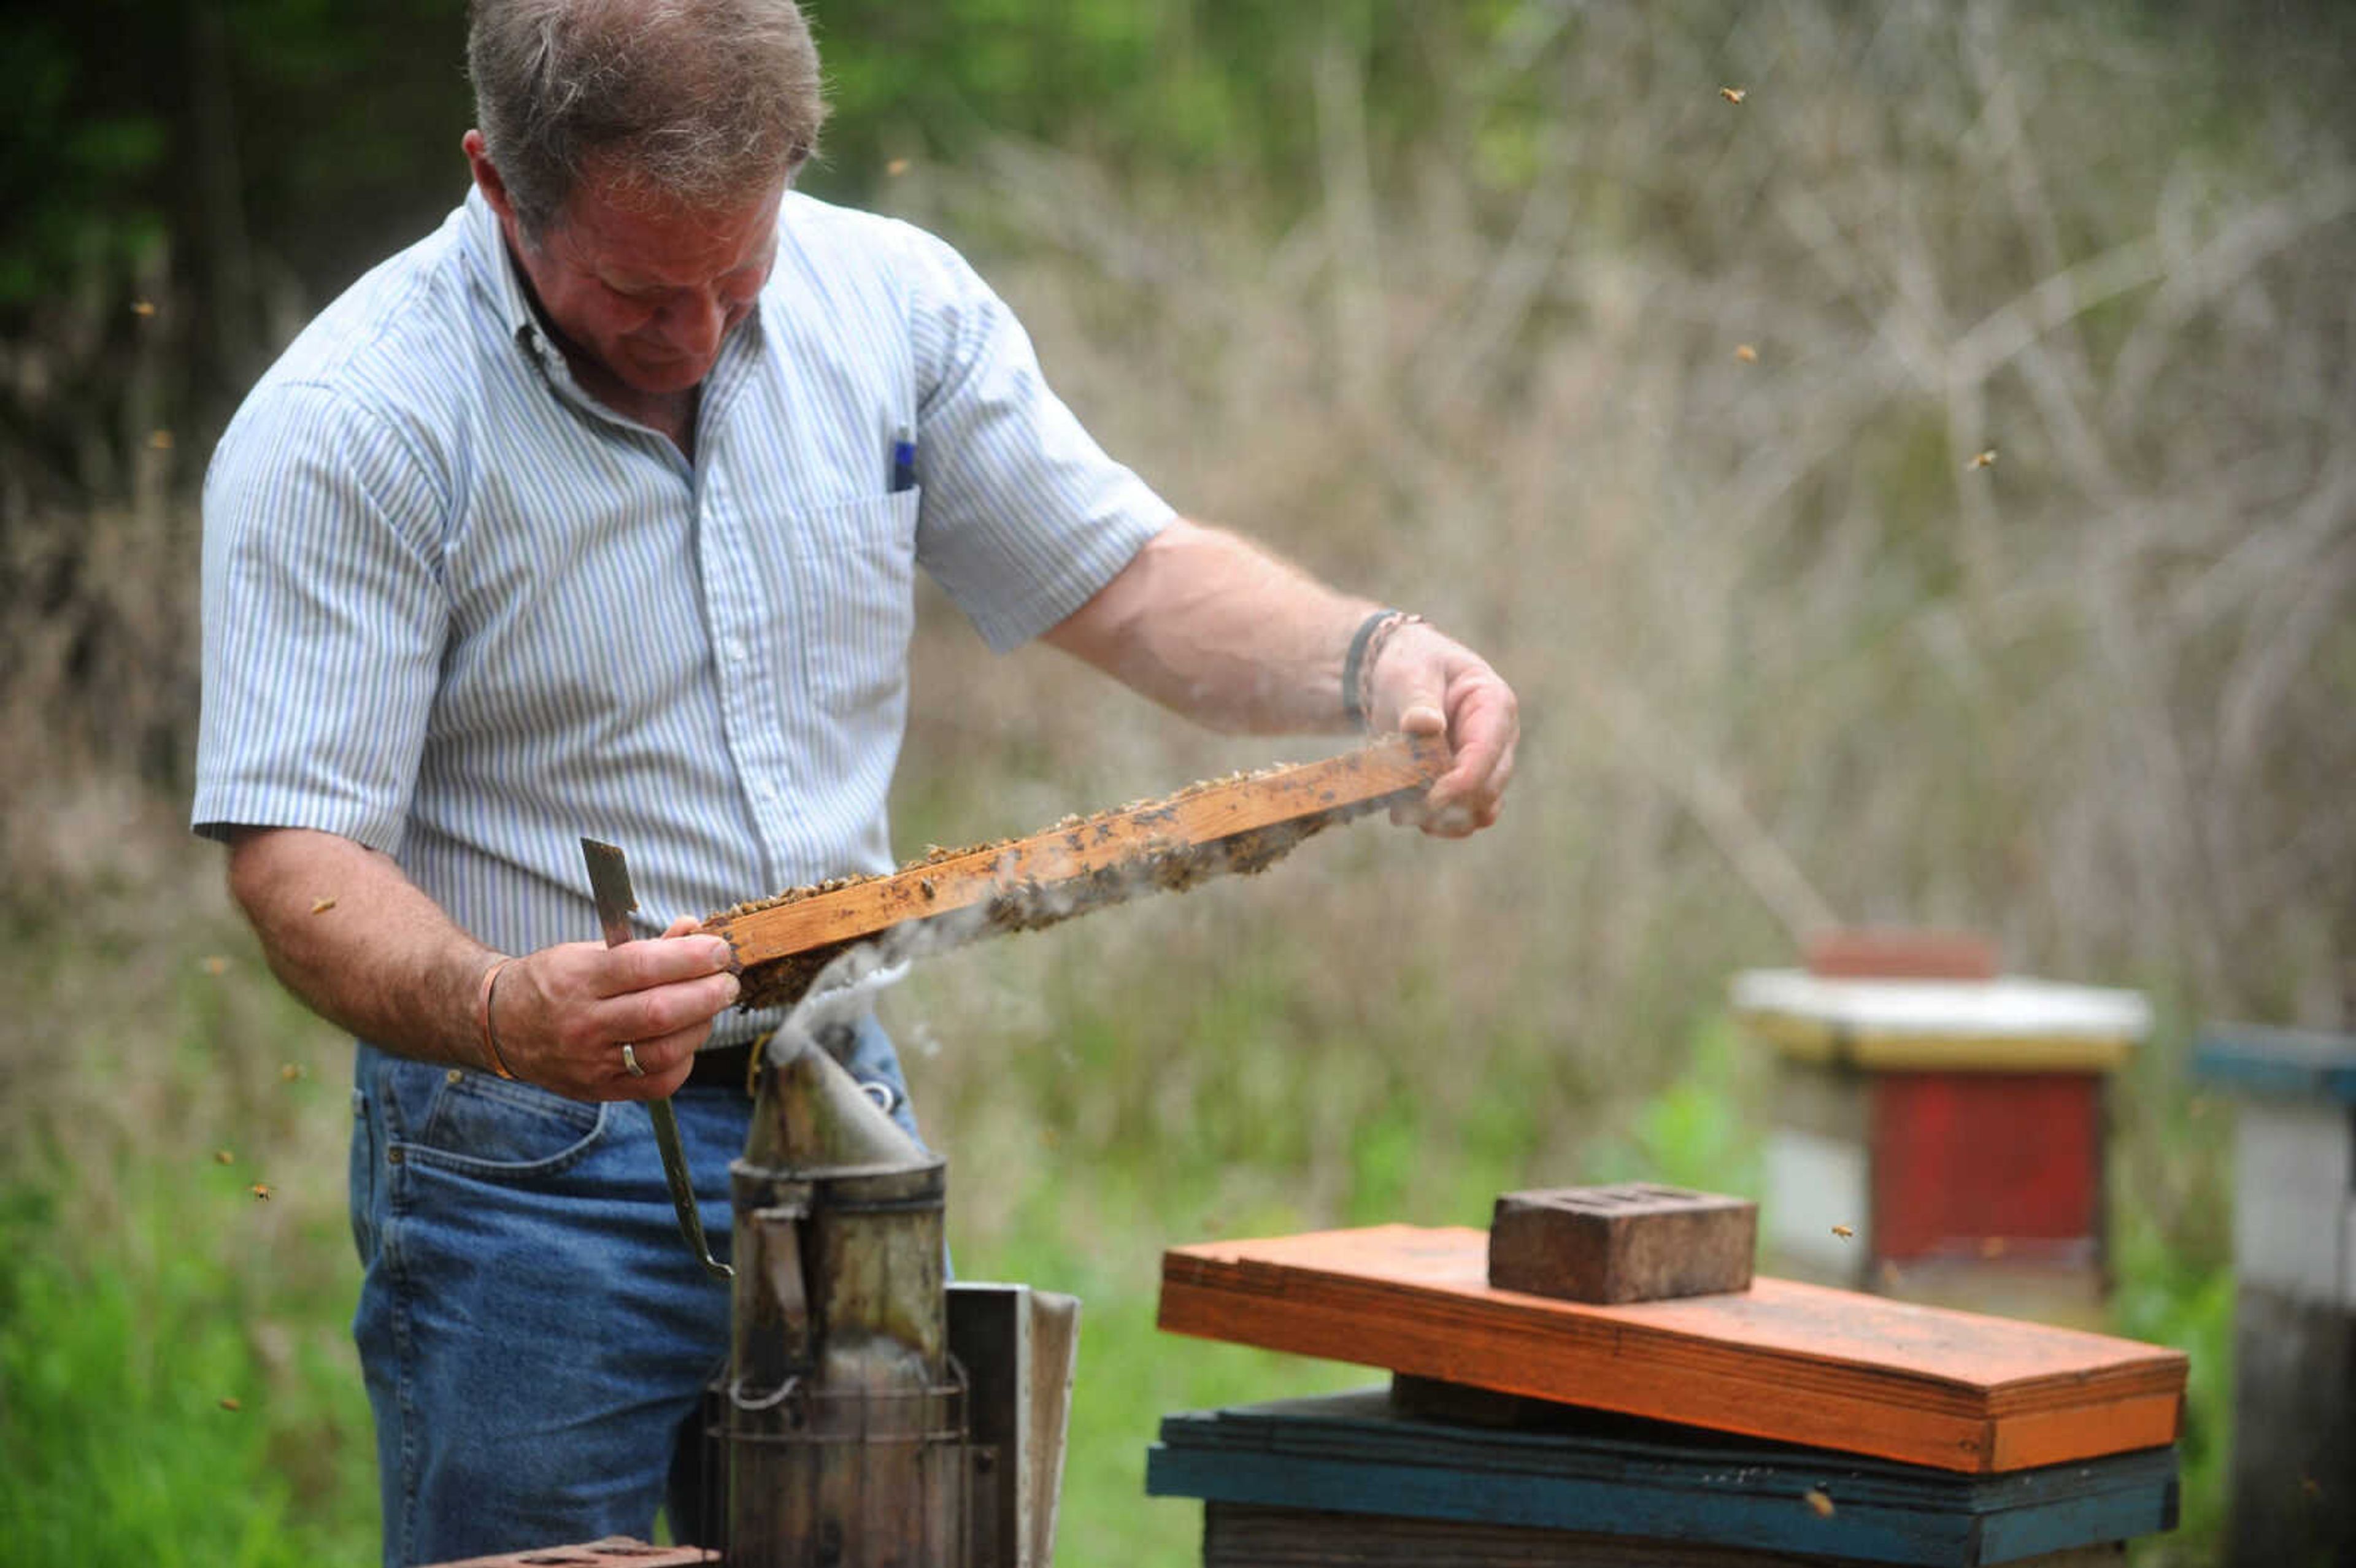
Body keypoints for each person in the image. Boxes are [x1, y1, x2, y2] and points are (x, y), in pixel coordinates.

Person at [193, 1, 1518, 1562]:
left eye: (734, 274)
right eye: (634, 287)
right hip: (524, 1167)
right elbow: (295, 855)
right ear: (498, 183)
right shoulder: (353, 425)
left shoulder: (893, 305)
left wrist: (1377, 661)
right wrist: (502, 1008)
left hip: (839, 1115)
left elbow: (1131, 583)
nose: (694, 330)